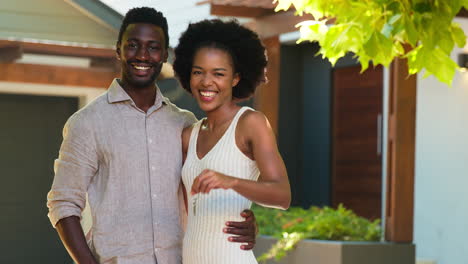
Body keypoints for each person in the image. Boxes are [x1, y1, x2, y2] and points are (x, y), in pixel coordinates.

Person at [46, 7, 257, 264]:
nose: (143, 55)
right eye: (133, 45)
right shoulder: (88, 123)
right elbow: (63, 203)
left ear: (164, 54)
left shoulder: (185, 124)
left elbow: (207, 197)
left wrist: (245, 223)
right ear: (118, 49)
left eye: (153, 47)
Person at [173, 19, 291, 264]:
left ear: (236, 78)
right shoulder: (188, 135)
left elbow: (282, 195)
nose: (207, 82)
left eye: (219, 73)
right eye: (198, 72)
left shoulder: (251, 123)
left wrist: (230, 182)